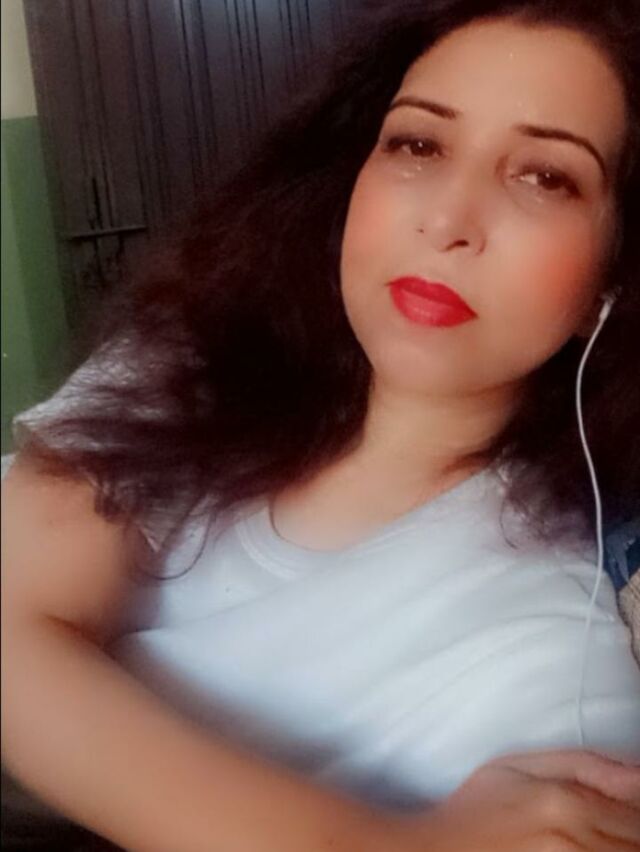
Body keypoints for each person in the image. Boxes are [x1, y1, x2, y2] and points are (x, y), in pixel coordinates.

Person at [2, 0, 640, 849]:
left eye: (545, 177)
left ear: (614, 278)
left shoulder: (550, 672)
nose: (446, 221)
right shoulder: (190, 355)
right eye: (418, 144)